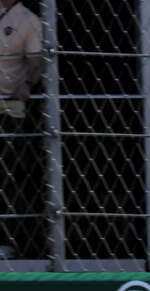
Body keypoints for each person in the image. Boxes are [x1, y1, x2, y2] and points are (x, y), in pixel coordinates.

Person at [0, 0, 42, 259]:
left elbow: (36, 62)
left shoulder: (29, 20)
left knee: (7, 176)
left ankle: (9, 241)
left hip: (7, 107)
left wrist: (26, 84)